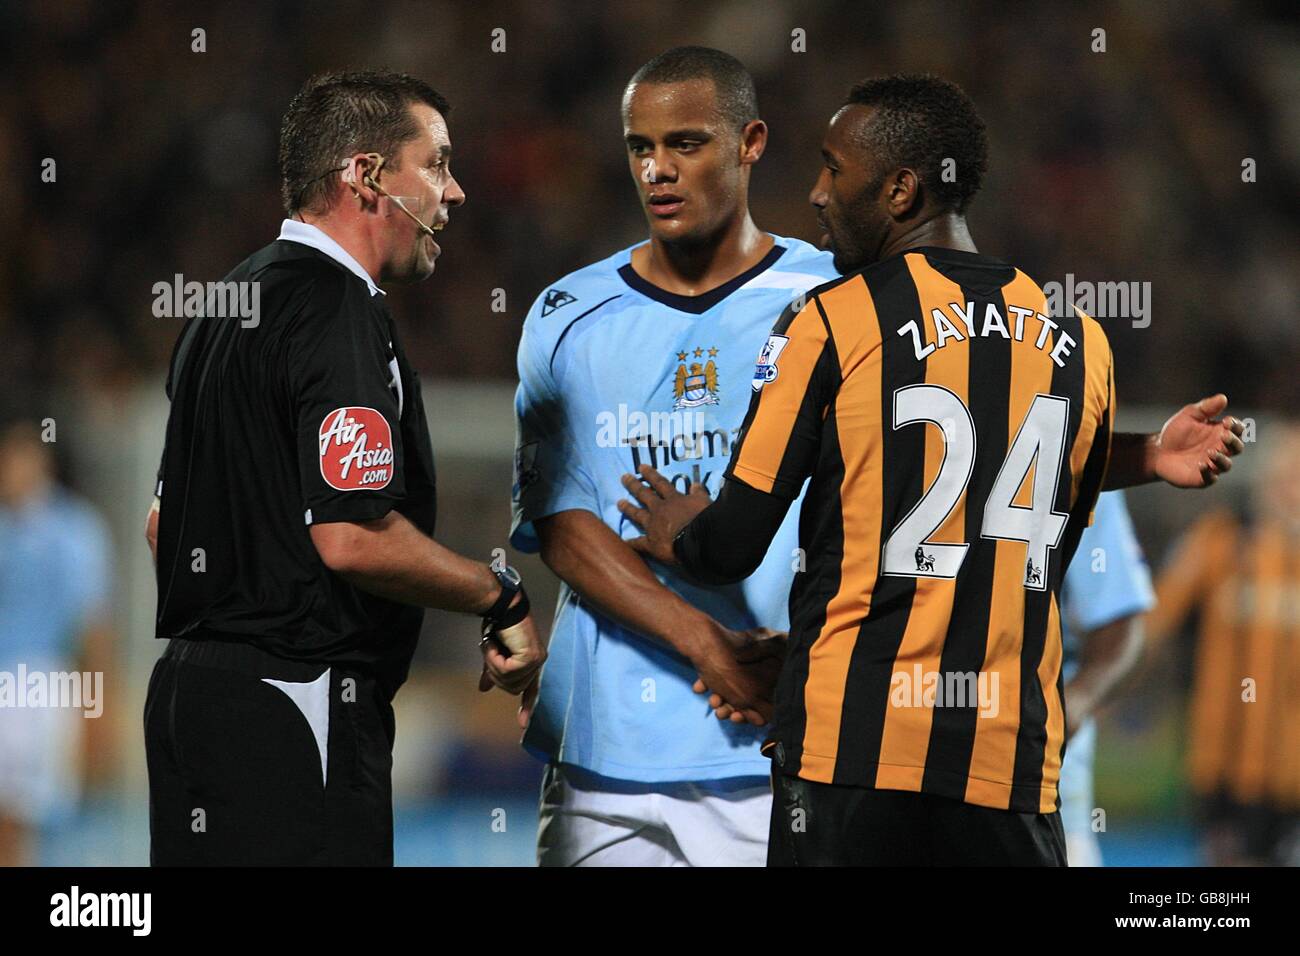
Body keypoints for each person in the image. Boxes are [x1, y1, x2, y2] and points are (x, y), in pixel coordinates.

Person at [619, 73, 1245, 865]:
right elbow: (1011, 465)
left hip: (850, 762)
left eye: (833, 169)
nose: (815, 193)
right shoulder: (1079, 340)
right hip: (1007, 771)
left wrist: (683, 534)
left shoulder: (835, 320)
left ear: (902, 190)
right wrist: (1149, 455)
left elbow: (731, 546)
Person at [144, 70, 545, 866]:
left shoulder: (225, 304)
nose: (455, 192)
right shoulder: (338, 311)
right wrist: (499, 595)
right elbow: (352, 536)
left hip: (188, 700)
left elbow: (164, 526)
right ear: (365, 176)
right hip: (298, 704)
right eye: (434, 164)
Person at [510, 47, 838, 866]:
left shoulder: (832, 298)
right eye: (639, 147)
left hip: (772, 746)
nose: (657, 170)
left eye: (685, 144)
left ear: (750, 142)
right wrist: (706, 644)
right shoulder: (567, 312)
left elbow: (870, 505)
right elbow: (560, 523)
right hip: (602, 759)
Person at [1145, 423, 1300, 866]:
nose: (1291, 492)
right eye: (1284, 479)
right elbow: (1156, 615)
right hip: (1223, 762)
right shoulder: (1219, 540)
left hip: (1292, 769)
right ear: (1264, 483)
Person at [0, 419, 113, 866]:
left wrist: (97, 713)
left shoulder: (74, 531)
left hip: (39, 687)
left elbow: (93, 628)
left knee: (26, 817)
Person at [1057, 491, 1155, 866]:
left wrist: (1074, 701)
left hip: (1037, 765)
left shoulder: (1077, 448)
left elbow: (1121, 617)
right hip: (901, 745)